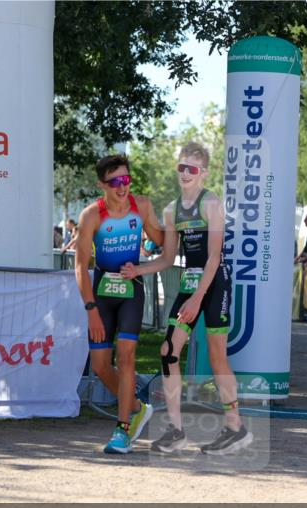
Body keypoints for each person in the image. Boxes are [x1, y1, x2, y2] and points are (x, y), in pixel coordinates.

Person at [129, 141, 251, 455]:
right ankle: (176, 430)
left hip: (215, 281)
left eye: (192, 169)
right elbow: (168, 259)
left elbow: (213, 258)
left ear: (203, 174)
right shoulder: (171, 210)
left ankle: (235, 427)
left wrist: (197, 299)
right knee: (168, 350)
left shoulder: (211, 203)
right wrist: (137, 270)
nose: (185, 173)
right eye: (182, 167)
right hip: (191, 280)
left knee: (217, 356)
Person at [74, 154, 165, 454]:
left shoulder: (142, 207)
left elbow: (160, 239)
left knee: (126, 357)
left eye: (126, 179)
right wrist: (91, 311)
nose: (122, 187)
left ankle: (122, 429)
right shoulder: (91, 216)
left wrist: (181, 226)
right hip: (101, 294)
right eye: (115, 182)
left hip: (131, 290)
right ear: (102, 184)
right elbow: (80, 266)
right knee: (100, 366)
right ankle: (137, 407)